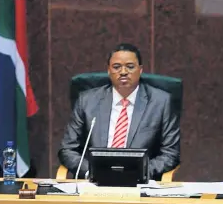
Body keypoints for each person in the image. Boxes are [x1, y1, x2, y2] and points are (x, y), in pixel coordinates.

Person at [58, 43, 180, 180]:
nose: (123, 72)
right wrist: (91, 172)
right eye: (116, 67)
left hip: (140, 183)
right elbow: (67, 150)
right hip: (94, 183)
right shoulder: (87, 101)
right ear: (109, 71)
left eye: (130, 67)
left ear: (140, 70)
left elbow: (170, 154)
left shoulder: (161, 102)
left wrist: (139, 172)